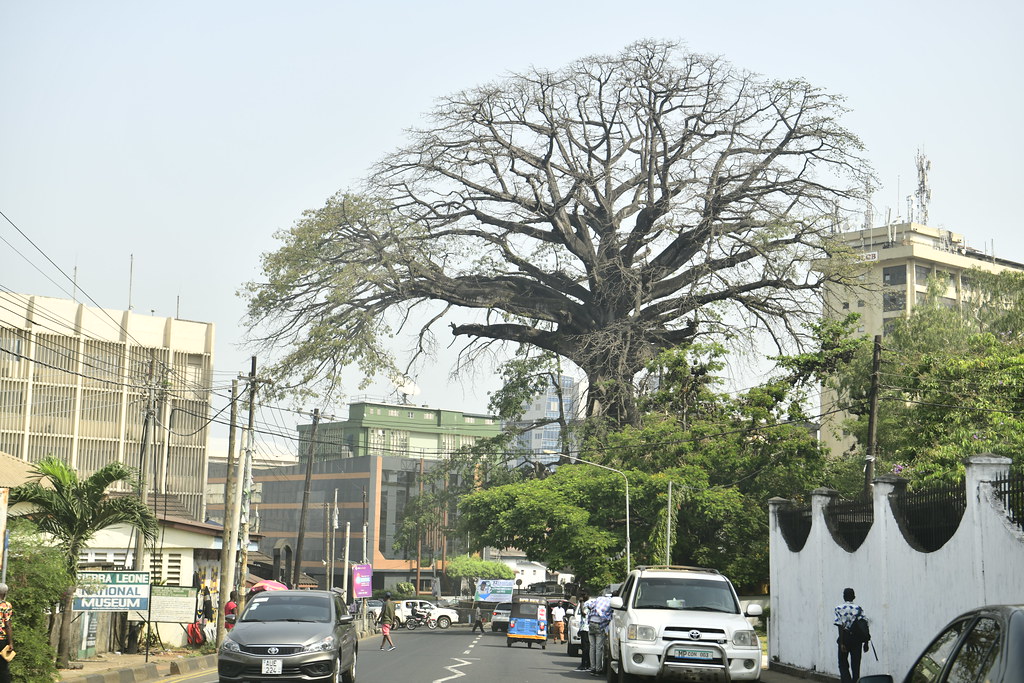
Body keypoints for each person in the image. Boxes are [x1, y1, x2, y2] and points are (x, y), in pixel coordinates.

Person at [834, 587, 869, 683]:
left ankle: (846, 681)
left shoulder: (838, 609)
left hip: (844, 638)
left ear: (844, 597)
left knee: (843, 664)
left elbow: (840, 626)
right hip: (857, 640)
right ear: (854, 597)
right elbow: (864, 626)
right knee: (856, 665)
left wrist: (841, 643)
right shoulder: (859, 609)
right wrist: (866, 643)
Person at [584, 592, 612, 676]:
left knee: (592, 647)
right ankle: (598, 669)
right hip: (599, 625)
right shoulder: (610, 602)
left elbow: (589, 606)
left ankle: (592, 668)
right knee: (598, 648)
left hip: (591, 624)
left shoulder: (598, 600)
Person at [574, 593, 592, 672]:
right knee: (584, 648)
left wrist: (581, 603)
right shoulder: (585, 605)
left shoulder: (587, 606)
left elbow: (583, 613)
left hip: (586, 629)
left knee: (585, 648)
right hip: (583, 629)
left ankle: (585, 665)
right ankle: (585, 664)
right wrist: (579, 630)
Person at [0, 583, 13, 683]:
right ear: (4, 593)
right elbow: (7, 625)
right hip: (2, 640)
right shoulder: (6, 605)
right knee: (3, 668)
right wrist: (10, 643)